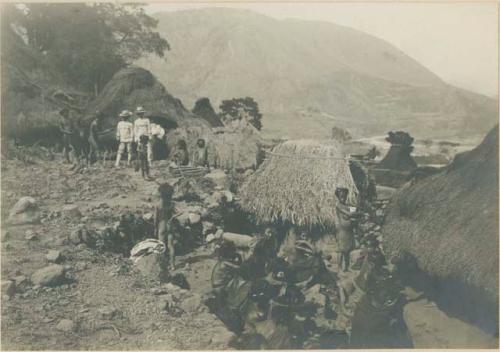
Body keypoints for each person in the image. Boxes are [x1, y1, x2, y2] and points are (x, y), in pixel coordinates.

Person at [335, 187, 358, 272]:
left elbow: (354, 210)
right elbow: (349, 213)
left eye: (344, 196)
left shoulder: (346, 205)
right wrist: (351, 214)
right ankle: (340, 266)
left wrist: (352, 212)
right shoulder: (338, 206)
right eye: (341, 196)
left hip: (348, 230)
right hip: (343, 230)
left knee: (348, 250)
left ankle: (346, 266)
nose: (343, 198)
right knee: (343, 249)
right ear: (338, 197)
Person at [154, 183, 177, 269]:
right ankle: (173, 265)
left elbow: (155, 218)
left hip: (162, 225)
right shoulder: (171, 204)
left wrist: (155, 228)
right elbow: (180, 211)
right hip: (169, 225)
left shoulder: (158, 205)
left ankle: (162, 266)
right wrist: (173, 217)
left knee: (162, 246)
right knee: (171, 246)